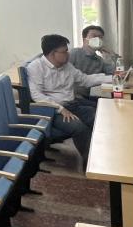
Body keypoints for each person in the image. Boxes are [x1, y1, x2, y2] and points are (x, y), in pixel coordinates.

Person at [25, 34, 112, 164]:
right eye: (65, 51)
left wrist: (113, 79)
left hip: (72, 105)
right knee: (79, 127)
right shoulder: (36, 67)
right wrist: (60, 109)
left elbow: (85, 80)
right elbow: (37, 95)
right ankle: (91, 164)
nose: (68, 54)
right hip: (53, 111)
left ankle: (103, 156)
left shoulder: (67, 66)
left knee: (98, 117)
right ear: (53, 53)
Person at [68, 25, 118, 97]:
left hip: (87, 96)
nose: (98, 39)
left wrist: (111, 54)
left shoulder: (99, 60)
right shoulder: (74, 53)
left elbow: (115, 74)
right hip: (72, 96)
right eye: (94, 36)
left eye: (100, 37)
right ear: (84, 39)